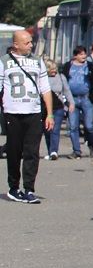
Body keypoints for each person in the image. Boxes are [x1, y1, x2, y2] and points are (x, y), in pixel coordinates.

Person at [3, 30, 54, 203]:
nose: (31, 45)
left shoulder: (37, 62)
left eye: (31, 42)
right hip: (12, 113)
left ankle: (29, 189)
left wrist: (50, 114)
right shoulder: (4, 62)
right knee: (14, 152)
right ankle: (14, 187)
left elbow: (45, 89)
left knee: (32, 152)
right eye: (27, 43)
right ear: (15, 44)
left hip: (33, 113)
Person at [64, 46, 93, 158]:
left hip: (87, 99)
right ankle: (76, 151)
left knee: (89, 125)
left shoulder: (89, 66)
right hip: (72, 100)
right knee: (73, 127)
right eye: (81, 54)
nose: (84, 56)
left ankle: (91, 146)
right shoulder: (68, 66)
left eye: (84, 54)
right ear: (75, 56)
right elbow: (63, 80)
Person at [44, 58, 71, 161]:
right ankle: (50, 151)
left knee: (55, 129)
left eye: (55, 68)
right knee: (47, 130)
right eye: (51, 69)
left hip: (58, 107)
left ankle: (54, 151)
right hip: (46, 108)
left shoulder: (61, 77)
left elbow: (67, 90)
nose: (54, 71)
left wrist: (71, 102)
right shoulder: (43, 78)